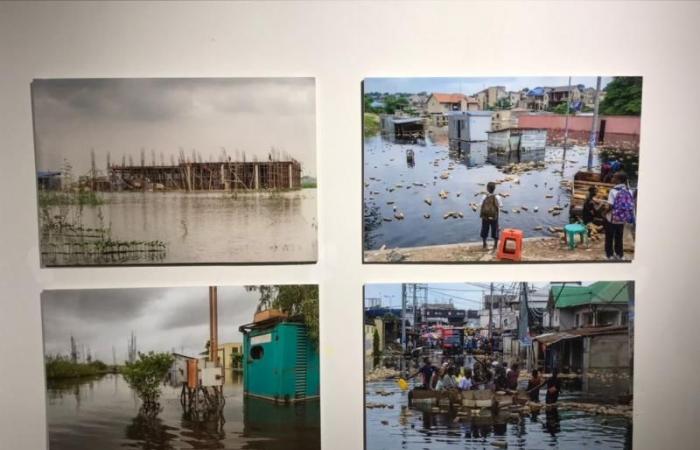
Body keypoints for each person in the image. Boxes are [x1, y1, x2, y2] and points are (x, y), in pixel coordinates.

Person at [604, 172, 635, 260]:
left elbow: (610, 206)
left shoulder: (613, 191)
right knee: (619, 237)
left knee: (609, 237)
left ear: (619, 180)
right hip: (622, 219)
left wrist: (604, 213)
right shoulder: (629, 190)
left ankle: (609, 255)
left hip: (612, 219)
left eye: (614, 177)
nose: (612, 178)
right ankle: (620, 255)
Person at [479, 181, 503, 251]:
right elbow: (501, 206)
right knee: (495, 231)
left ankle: (484, 244)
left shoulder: (484, 196)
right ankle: (495, 246)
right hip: (494, 217)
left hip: (485, 217)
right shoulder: (497, 197)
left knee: (484, 230)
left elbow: (480, 205)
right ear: (494, 188)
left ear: (487, 188)